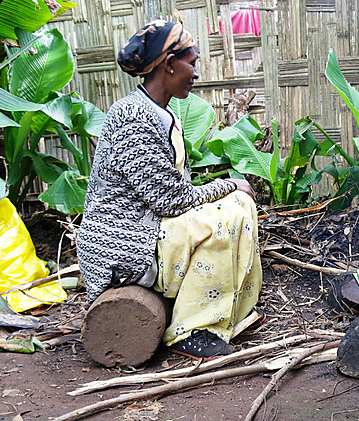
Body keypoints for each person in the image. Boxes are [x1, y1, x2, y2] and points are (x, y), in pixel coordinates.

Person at [77, 18, 263, 359]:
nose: (195, 73)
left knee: (240, 204)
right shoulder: (133, 116)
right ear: (169, 64)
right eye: (191, 63)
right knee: (225, 219)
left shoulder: (159, 112)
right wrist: (226, 184)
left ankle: (229, 314)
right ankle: (189, 332)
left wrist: (231, 190)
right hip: (124, 246)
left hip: (148, 230)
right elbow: (171, 200)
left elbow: (173, 194)